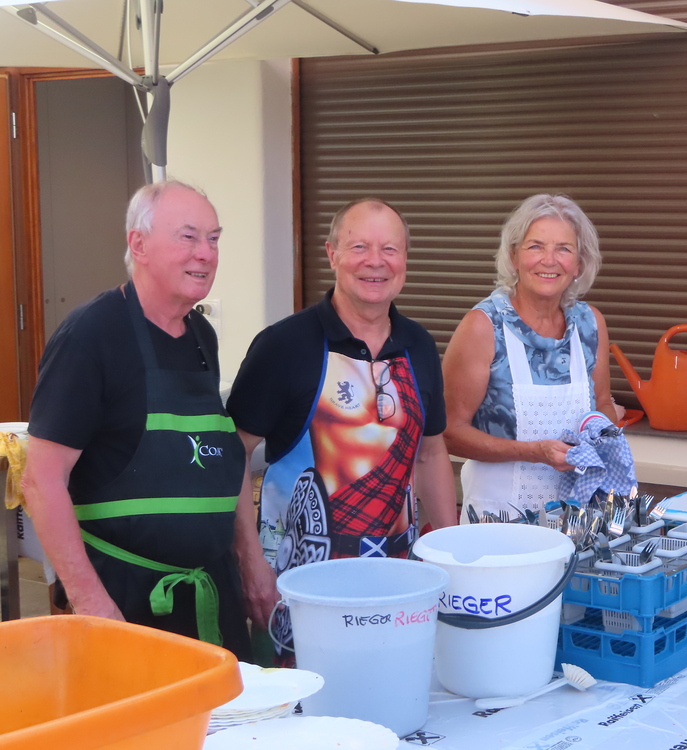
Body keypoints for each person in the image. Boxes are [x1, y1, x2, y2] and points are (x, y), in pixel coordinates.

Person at [21, 180, 257, 659]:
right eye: (188, 237)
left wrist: (249, 559)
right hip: (124, 602)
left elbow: (217, 458)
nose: (206, 253)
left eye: (213, 239)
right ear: (139, 244)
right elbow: (41, 481)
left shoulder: (201, 334)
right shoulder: (90, 334)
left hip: (210, 595)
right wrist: (92, 604)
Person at [226, 198, 458, 642]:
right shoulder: (283, 346)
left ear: (405, 260)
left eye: (390, 249)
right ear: (332, 254)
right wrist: (249, 561)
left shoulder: (419, 345)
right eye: (359, 247)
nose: (375, 262)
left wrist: (452, 554)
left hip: (399, 584)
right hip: (299, 587)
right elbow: (234, 452)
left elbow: (430, 454)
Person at [443, 194, 617, 521]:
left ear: (579, 263)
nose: (549, 260)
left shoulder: (590, 324)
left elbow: (604, 403)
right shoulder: (483, 326)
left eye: (563, 249)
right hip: (497, 520)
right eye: (536, 246)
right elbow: (449, 432)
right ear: (514, 257)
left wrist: (603, 438)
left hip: (577, 519)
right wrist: (533, 452)